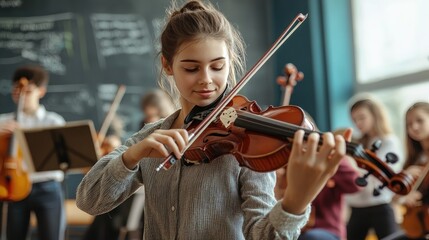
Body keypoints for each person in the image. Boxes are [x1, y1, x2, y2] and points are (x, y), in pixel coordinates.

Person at [76, 1, 349, 239]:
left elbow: (263, 236)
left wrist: (295, 203)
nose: (206, 79)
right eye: (192, 68)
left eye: (218, 66)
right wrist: (132, 155)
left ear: (230, 62)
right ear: (168, 66)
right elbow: (89, 200)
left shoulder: (246, 143)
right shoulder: (152, 137)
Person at [0, 65, 66, 240]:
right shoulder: (3, 122)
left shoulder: (54, 121)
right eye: (16, 90)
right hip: (14, 187)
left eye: (28, 91)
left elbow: (63, 157)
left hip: (48, 187)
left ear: (41, 91)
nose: (20, 94)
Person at [345, 96, 405, 240]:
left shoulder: (389, 141)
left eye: (362, 118)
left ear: (375, 115)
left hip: (380, 204)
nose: (358, 123)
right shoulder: (359, 143)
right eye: (355, 120)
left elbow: (371, 172)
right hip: (357, 205)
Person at [390, 102, 429, 240]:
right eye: (409, 124)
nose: (414, 127)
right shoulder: (415, 160)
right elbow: (394, 199)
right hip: (416, 225)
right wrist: (405, 196)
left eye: (420, 120)